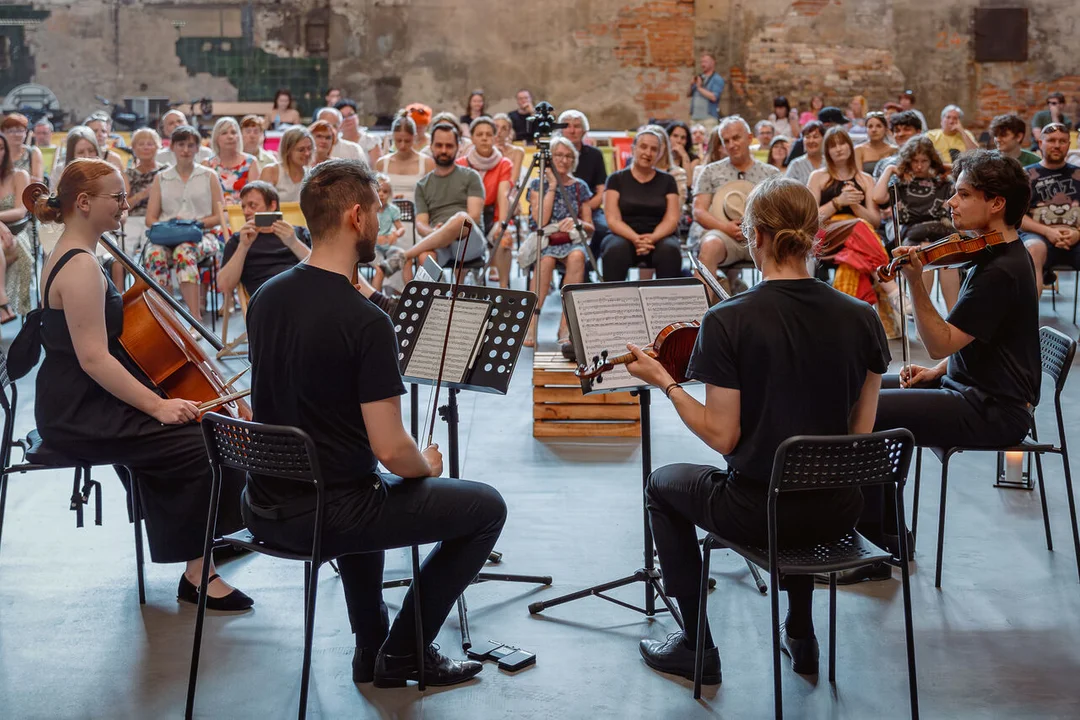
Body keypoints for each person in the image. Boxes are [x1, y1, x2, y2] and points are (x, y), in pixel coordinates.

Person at [244, 158, 505, 687]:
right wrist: (425, 464)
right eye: (380, 215)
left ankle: (372, 651)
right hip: (326, 512)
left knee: (366, 486)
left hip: (263, 503)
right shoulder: (366, 322)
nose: (383, 228)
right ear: (356, 218)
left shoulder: (268, 297)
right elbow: (391, 449)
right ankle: (407, 653)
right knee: (484, 509)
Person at [627, 176, 888, 684]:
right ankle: (800, 631)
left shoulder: (728, 320)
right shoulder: (862, 316)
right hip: (840, 510)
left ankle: (695, 646)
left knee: (662, 485)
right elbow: (860, 431)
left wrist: (665, 382)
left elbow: (722, 437)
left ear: (755, 238)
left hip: (758, 512)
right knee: (800, 474)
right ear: (816, 236)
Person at [28, 158, 251, 609]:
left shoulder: (82, 256)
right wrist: (157, 406)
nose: (127, 206)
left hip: (80, 401)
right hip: (78, 412)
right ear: (85, 203)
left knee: (191, 430)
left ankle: (198, 542)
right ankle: (197, 571)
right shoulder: (81, 268)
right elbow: (93, 359)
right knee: (199, 442)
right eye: (119, 197)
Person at [852, 150, 1038, 583]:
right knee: (862, 391)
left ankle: (872, 548)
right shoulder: (994, 254)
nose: (951, 203)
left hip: (994, 410)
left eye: (963, 194)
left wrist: (916, 280)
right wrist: (940, 373)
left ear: (996, 203)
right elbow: (981, 344)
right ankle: (888, 536)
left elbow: (938, 342)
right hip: (969, 389)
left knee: (866, 412)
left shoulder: (1001, 270)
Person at [808, 128, 895, 334]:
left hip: (859, 238)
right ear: (827, 151)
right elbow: (810, 218)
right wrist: (838, 202)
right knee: (858, 226)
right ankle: (890, 286)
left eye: (842, 143)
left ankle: (847, 324)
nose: (838, 149)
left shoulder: (865, 179)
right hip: (827, 235)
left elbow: (874, 221)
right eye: (832, 145)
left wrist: (856, 206)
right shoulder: (818, 176)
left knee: (855, 256)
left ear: (850, 146)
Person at [144, 125, 225, 318]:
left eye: (191, 145)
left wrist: (193, 223)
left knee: (183, 252)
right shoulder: (161, 178)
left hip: (203, 236)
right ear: (172, 147)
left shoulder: (209, 176)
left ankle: (194, 318)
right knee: (154, 254)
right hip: (168, 236)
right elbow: (150, 219)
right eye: (181, 144)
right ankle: (168, 318)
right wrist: (173, 225)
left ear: (198, 148)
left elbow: (221, 216)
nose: (186, 150)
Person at [689, 116, 779, 290]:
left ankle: (775, 307)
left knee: (782, 246)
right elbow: (698, 211)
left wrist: (755, 230)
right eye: (726, 141)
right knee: (709, 245)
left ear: (749, 137)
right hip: (724, 236)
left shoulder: (770, 173)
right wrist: (726, 228)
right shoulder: (710, 171)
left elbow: (779, 212)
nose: (731, 144)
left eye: (736, 138)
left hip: (761, 237)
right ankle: (699, 313)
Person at [520, 135, 593, 349]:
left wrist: (577, 221)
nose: (564, 159)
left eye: (568, 156)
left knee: (578, 256)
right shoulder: (537, 184)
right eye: (558, 155)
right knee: (546, 262)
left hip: (571, 240)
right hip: (547, 241)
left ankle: (566, 324)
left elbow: (590, 227)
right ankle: (532, 321)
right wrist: (552, 185)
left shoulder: (580, 186)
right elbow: (540, 222)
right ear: (549, 158)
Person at [872, 135, 958, 309]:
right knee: (924, 250)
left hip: (941, 231)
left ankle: (952, 314)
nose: (919, 166)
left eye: (924, 161)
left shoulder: (942, 181)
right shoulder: (901, 182)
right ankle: (923, 313)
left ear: (932, 160)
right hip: (913, 233)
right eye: (914, 161)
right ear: (907, 161)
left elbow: (964, 177)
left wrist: (944, 167)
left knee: (946, 257)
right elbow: (878, 197)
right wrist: (889, 169)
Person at [401, 123, 486, 271]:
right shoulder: (422, 185)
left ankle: (405, 255)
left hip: (468, 243)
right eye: (439, 145)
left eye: (449, 146)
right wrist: (435, 234)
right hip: (440, 245)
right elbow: (421, 224)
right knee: (424, 257)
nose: (444, 150)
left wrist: (446, 232)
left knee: (461, 218)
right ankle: (436, 294)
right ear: (431, 146)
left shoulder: (471, 176)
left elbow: (474, 217)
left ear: (458, 147)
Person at [599, 128, 681, 282]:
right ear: (633, 149)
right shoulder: (615, 179)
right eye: (643, 147)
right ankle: (613, 303)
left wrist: (651, 238)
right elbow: (612, 219)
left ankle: (666, 303)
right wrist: (636, 238)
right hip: (623, 235)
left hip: (660, 236)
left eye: (653, 149)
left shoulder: (668, 181)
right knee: (615, 250)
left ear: (659, 154)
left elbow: (672, 218)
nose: (648, 152)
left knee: (670, 250)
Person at [218, 181, 311, 297]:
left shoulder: (297, 233)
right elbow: (224, 285)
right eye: (243, 207)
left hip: (301, 290)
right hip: (267, 296)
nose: (246, 212)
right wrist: (243, 246)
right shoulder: (240, 240)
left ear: (272, 205)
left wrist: (294, 243)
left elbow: (324, 269)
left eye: (252, 205)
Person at [1019, 123, 1080, 295]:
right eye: (1051, 140)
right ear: (1040, 143)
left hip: (1076, 236)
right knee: (1034, 249)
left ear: (1069, 145)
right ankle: (1028, 319)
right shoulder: (1025, 176)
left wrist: (1078, 233)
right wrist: (1047, 231)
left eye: (1062, 141)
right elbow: (1018, 217)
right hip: (1037, 235)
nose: (1057, 145)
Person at [456, 117, 512, 286]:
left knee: (505, 240)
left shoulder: (504, 164)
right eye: (479, 134)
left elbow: (503, 195)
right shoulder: (461, 163)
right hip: (469, 214)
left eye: (489, 134)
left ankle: (504, 290)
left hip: (492, 215)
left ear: (495, 137)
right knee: (461, 242)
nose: (484, 138)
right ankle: (458, 291)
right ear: (472, 138)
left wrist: (503, 226)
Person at [558, 110, 608, 255]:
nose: (572, 130)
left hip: (590, 208)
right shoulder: (553, 154)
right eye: (567, 126)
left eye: (577, 126)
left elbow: (602, 190)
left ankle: (587, 264)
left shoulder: (595, 155)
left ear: (584, 130)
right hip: (559, 209)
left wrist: (583, 209)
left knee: (603, 228)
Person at [119, 128, 165, 286]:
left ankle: (154, 294)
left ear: (158, 147)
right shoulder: (127, 174)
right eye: (141, 144)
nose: (146, 147)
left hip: (157, 219)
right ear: (133, 148)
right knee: (120, 254)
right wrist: (143, 194)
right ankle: (119, 297)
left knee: (153, 252)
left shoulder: (165, 171)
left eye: (150, 144)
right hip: (131, 218)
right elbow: (124, 205)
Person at [0, 133, 31, 322]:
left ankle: (3, 304)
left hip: (17, 233)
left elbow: (21, 211)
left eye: (1, 148)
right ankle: (2, 302)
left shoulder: (20, 175)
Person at [375, 113, 435, 203]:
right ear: (393, 137)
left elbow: (432, 196)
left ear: (414, 137)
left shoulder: (427, 163)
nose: (402, 145)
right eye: (398, 141)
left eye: (407, 141)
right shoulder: (382, 164)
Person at [206, 117, 260, 205]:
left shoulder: (251, 162)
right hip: (216, 212)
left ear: (239, 137)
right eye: (224, 133)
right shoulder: (207, 164)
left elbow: (255, 196)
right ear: (216, 138)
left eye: (233, 132)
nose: (230, 136)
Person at [370, 173, 409, 290]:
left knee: (404, 256)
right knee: (381, 266)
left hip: (388, 246)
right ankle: (376, 298)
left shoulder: (392, 210)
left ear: (390, 194)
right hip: (374, 248)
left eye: (385, 191)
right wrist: (375, 238)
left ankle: (406, 291)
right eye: (378, 191)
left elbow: (401, 227)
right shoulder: (370, 209)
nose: (381, 194)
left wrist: (396, 233)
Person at [259, 126, 313, 203]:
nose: (307, 153)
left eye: (309, 148)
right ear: (288, 150)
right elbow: (262, 204)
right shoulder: (271, 171)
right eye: (301, 150)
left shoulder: (311, 175)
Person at [871, 111, 923, 181]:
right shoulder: (884, 164)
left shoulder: (928, 162)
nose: (901, 134)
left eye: (907, 129)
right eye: (897, 130)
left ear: (918, 132)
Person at [927, 105, 978, 169]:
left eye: (955, 118)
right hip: (939, 170)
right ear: (941, 121)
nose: (951, 121)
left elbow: (976, 154)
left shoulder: (966, 134)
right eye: (948, 117)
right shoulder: (931, 135)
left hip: (963, 171)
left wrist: (962, 131)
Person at [336, 99, 382, 164]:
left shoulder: (370, 140)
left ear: (357, 116)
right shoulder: (336, 141)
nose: (347, 119)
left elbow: (377, 168)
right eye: (343, 117)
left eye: (350, 115)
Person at [1, 113, 44, 182]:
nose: (16, 134)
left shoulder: (33, 152)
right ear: (3, 133)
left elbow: (38, 182)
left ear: (26, 132)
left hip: (27, 192)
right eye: (11, 131)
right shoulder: (1, 154)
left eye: (20, 130)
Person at [784, 121, 824, 185]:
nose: (811, 141)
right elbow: (786, 189)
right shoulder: (796, 165)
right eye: (807, 137)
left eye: (815, 137)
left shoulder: (830, 162)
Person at [689, 52, 724, 121]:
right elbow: (688, 94)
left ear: (713, 62)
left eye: (705, 62)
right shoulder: (699, 77)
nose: (702, 64)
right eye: (701, 62)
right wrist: (691, 85)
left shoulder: (717, 79)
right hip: (694, 117)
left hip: (709, 118)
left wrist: (699, 88)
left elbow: (714, 97)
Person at [667, 121, 701, 193]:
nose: (679, 141)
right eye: (675, 136)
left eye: (683, 138)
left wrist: (684, 156)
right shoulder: (661, 155)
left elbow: (688, 183)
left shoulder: (694, 159)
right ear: (668, 137)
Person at [493, 113, 525, 184]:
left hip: (508, 191)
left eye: (504, 128)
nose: (499, 131)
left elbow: (513, 181)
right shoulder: (483, 149)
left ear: (509, 132)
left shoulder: (518, 152)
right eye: (496, 127)